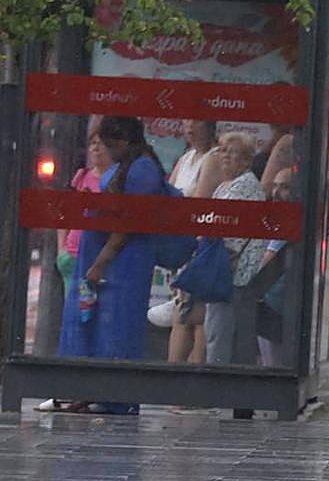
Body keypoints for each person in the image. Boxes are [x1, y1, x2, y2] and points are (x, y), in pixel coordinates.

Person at [57, 116, 168, 415]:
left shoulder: (142, 169)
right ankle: (91, 391)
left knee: (118, 325)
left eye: (109, 142)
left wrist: (100, 263)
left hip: (122, 261)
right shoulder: (129, 164)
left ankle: (115, 396)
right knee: (97, 324)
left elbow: (129, 224)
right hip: (106, 257)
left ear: (125, 140)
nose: (105, 149)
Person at [37, 122, 114, 414]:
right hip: (72, 258)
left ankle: (87, 391)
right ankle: (65, 390)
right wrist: (61, 250)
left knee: (91, 323)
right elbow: (64, 212)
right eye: (92, 143)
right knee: (73, 322)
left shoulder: (115, 180)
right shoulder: (81, 177)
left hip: (96, 261)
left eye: (101, 143)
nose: (95, 148)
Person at [204, 132, 269, 366]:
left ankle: (218, 384)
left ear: (247, 159)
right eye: (223, 151)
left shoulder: (245, 186)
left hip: (231, 271)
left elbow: (232, 235)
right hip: (221, 268)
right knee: (217, 328)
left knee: (220, 331)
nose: (226, 157)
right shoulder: (224, 186)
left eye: (234, 154)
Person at [166, 119, 221, 366]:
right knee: (183, 312)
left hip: (199, 245)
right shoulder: (186, 158)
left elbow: (199, 201)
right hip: (180, 241)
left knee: (193, 316)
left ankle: (186, 379)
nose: (189, 127)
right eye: (186, 121)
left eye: (197, 122)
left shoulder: (213, 157)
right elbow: (168, 195)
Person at [256, 168, 293, 369]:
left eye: (285, 187)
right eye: (275, 186)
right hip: (270, 298)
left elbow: (266, 261)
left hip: (275, 301)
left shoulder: (288, 222)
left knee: (273, 360)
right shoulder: (277, 219)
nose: (277, 193)